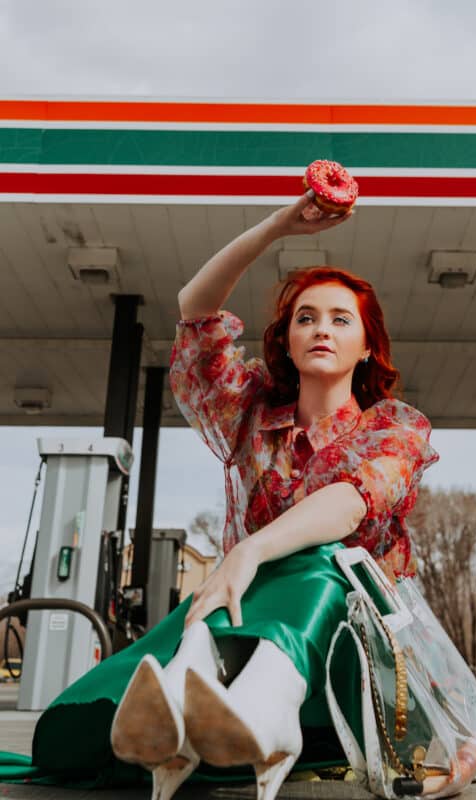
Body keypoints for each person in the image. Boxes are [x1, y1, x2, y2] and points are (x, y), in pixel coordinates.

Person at [15, 191, 437, 799]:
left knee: (325, 563)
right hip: (238, 620)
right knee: (78, 728)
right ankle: (192, 712)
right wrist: (280, 225)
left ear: (367, 346)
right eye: (305, 317)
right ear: (286, 341)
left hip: (358, 660)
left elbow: (349, 503)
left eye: (341, 319)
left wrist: (248, 552)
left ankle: (264, 713)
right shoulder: (251, 411)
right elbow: (195, 308)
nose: (322, 328)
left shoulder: (397, 425)